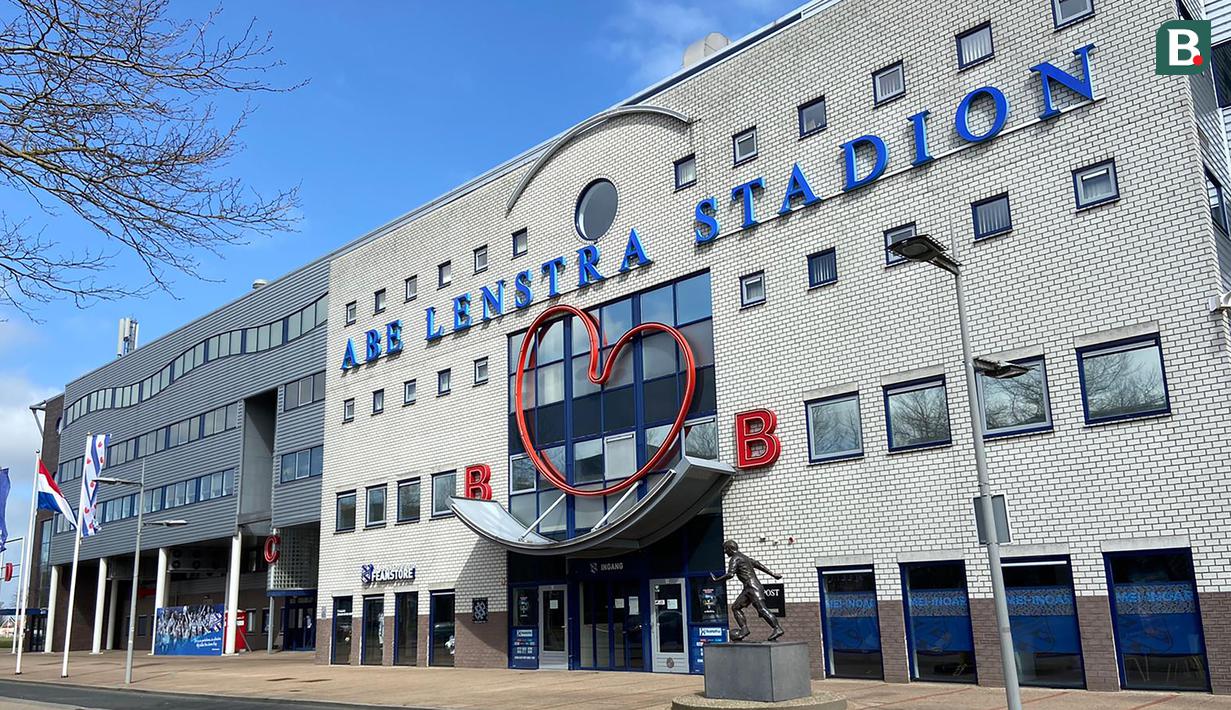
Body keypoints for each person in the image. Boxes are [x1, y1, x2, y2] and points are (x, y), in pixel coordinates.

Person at [711, 539, 785, 641]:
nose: (725, 552)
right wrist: (773, 574)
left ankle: (777, 628)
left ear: (730, 549)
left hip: (752, 587)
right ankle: (744, 629)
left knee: (762, 609)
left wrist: (717, 580)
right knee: (736, 607)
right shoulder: (744, 557)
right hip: (749, 588)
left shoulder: (735, 558)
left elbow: (730, 574)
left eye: (725, 549)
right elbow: (758, 564)